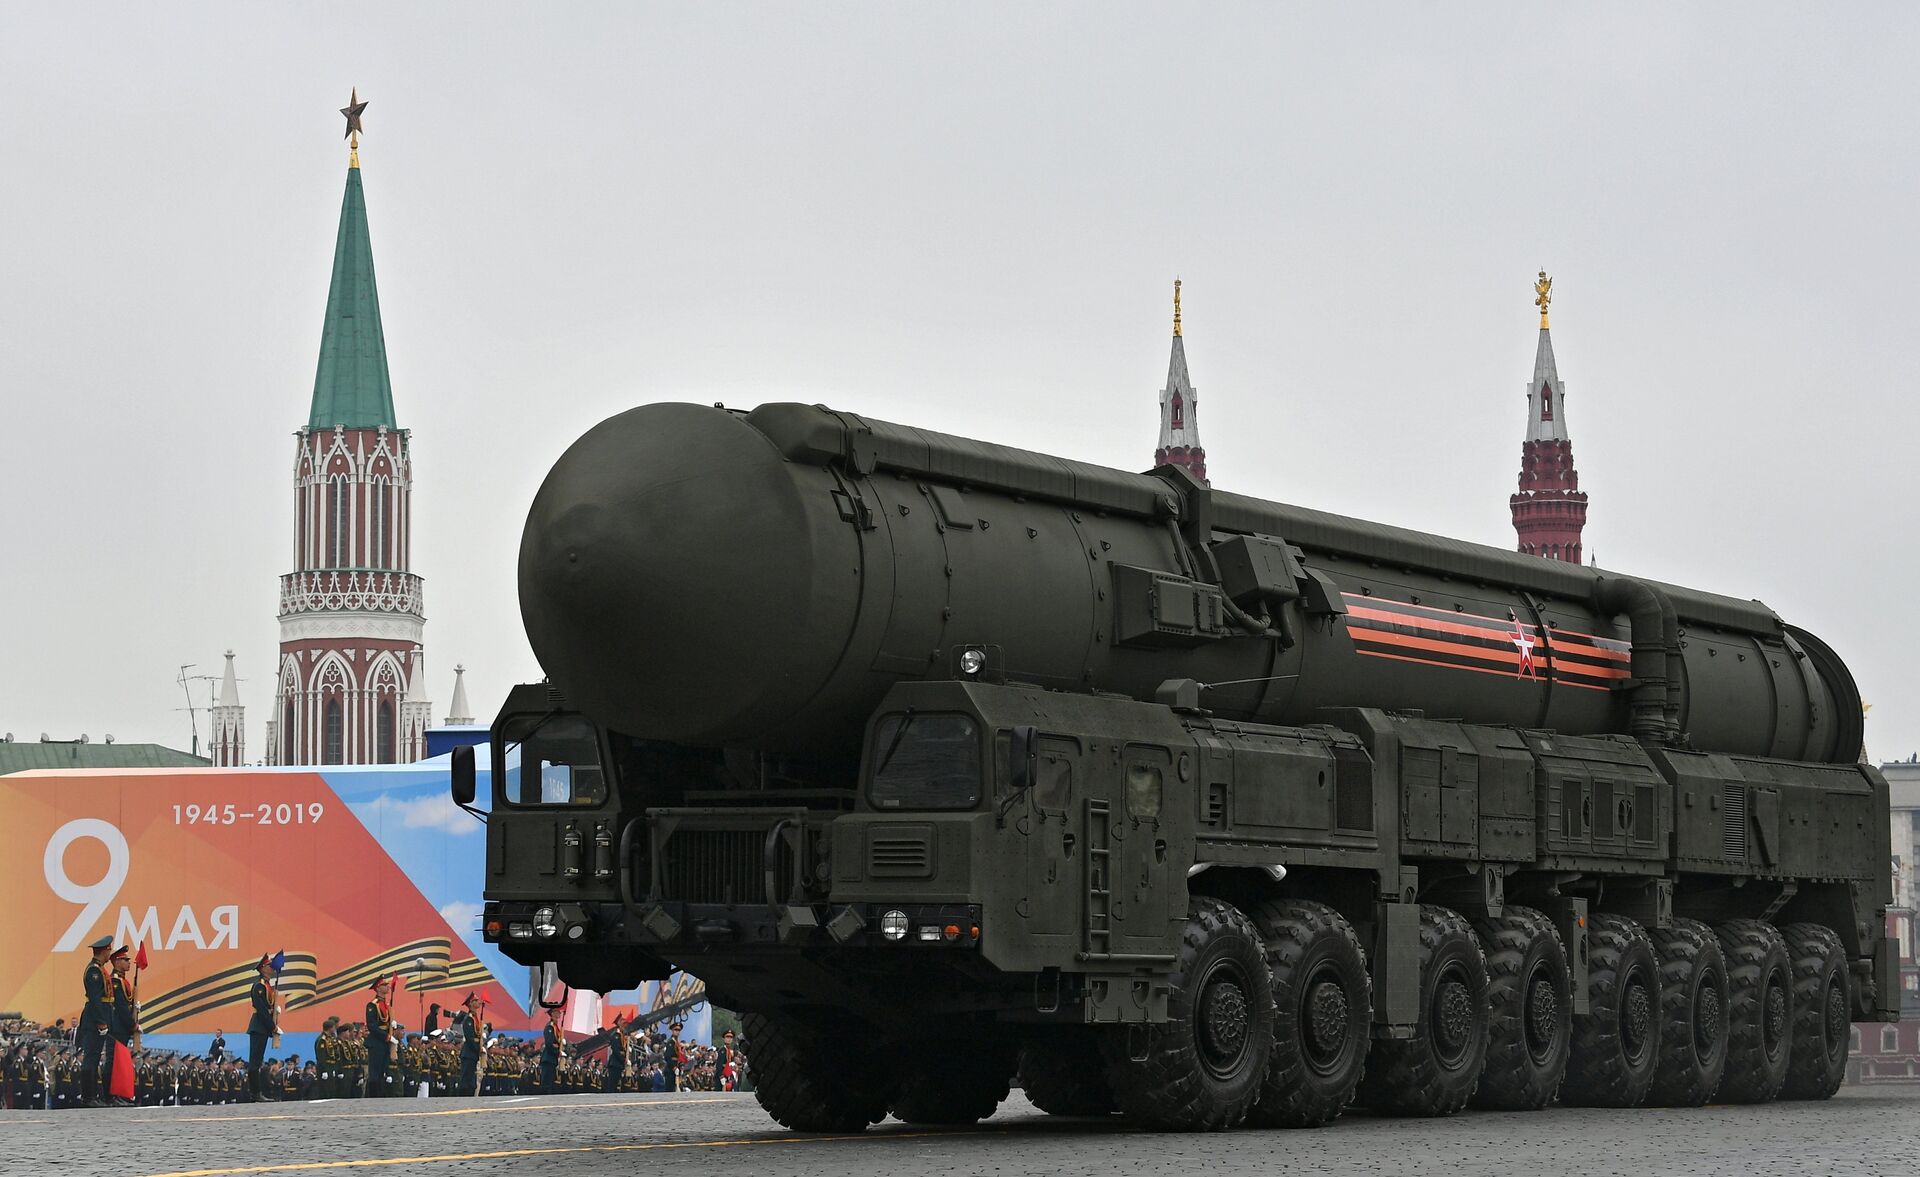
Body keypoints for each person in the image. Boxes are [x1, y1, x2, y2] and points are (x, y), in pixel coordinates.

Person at [78, 934, 114, 1107]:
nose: (110, 954)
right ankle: (88, 1096)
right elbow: (95, 998)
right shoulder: (93, 970)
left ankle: (93, 1095)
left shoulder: (99, 969)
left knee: (94, 1056)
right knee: (91, 1057)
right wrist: (101, 1021)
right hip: (94, 1018)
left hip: (100, 1015)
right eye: (109, 950)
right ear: (103, 951)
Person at [105, 946, 137, 1106]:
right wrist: (132, 1025)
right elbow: (122, 1007)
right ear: (117, 962)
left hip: (121, 1028)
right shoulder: (116, 981)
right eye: (125, 960)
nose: (128, 963)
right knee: (113, 1062)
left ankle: (118, 1094)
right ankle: (111, 1095)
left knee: (119, 1061)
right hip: (117, 1027)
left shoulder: (122, 981)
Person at [246, 954, 277, 1101]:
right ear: (263, 968)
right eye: (270, 966)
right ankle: (255, 1093)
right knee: (255, 1062)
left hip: (262, 1026)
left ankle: (255, 1093)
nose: (272, 968)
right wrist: (272, 1026)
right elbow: (262, 1009)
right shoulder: (259, 985)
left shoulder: (266, 984)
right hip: (259, 1026)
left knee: (257, 1062)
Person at [365, 977, 395, 1097]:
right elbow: (372, 1026)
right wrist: (386, 1036)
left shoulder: (386, 1004)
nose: (387, 987)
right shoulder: (372, 1005)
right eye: (384, 985)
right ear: (378, 988)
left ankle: (381, 1095)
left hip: (384, 1042)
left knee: (383, 1070)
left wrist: (392, 1025)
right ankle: (373, 1096)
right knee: (375, 1072)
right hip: (377, 1041)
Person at [457, 993, 485, 1097]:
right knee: (466, 1079)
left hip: (473, 1053)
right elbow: (470, 1038)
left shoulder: (475, 1018)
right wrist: (478, 1048)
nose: (479, 1002)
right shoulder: (468, 1019)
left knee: (472, 1080)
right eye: (476, 1000)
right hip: (469, 1052)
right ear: (471, 1003)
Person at [539, 1006, 563, 1095]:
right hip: (548, 1057)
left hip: (552, 1058)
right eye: (557, 1012)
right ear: (552, 1013)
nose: (559, 1013)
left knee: (551, 1081)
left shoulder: (555, 1027)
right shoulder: (550, 1027)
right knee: (546, 1082)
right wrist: (557, 1052)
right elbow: (549, 1043)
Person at [603, 1014, 628, 1093]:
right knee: (612, 1085)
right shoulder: (615, 1036)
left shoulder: (623, 1037)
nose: (625, 1027)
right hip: (615, 1064)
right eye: (623, 1025)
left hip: (619, 1064)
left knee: (616, 1085)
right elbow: (616, 1050)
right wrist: (623, 1059)